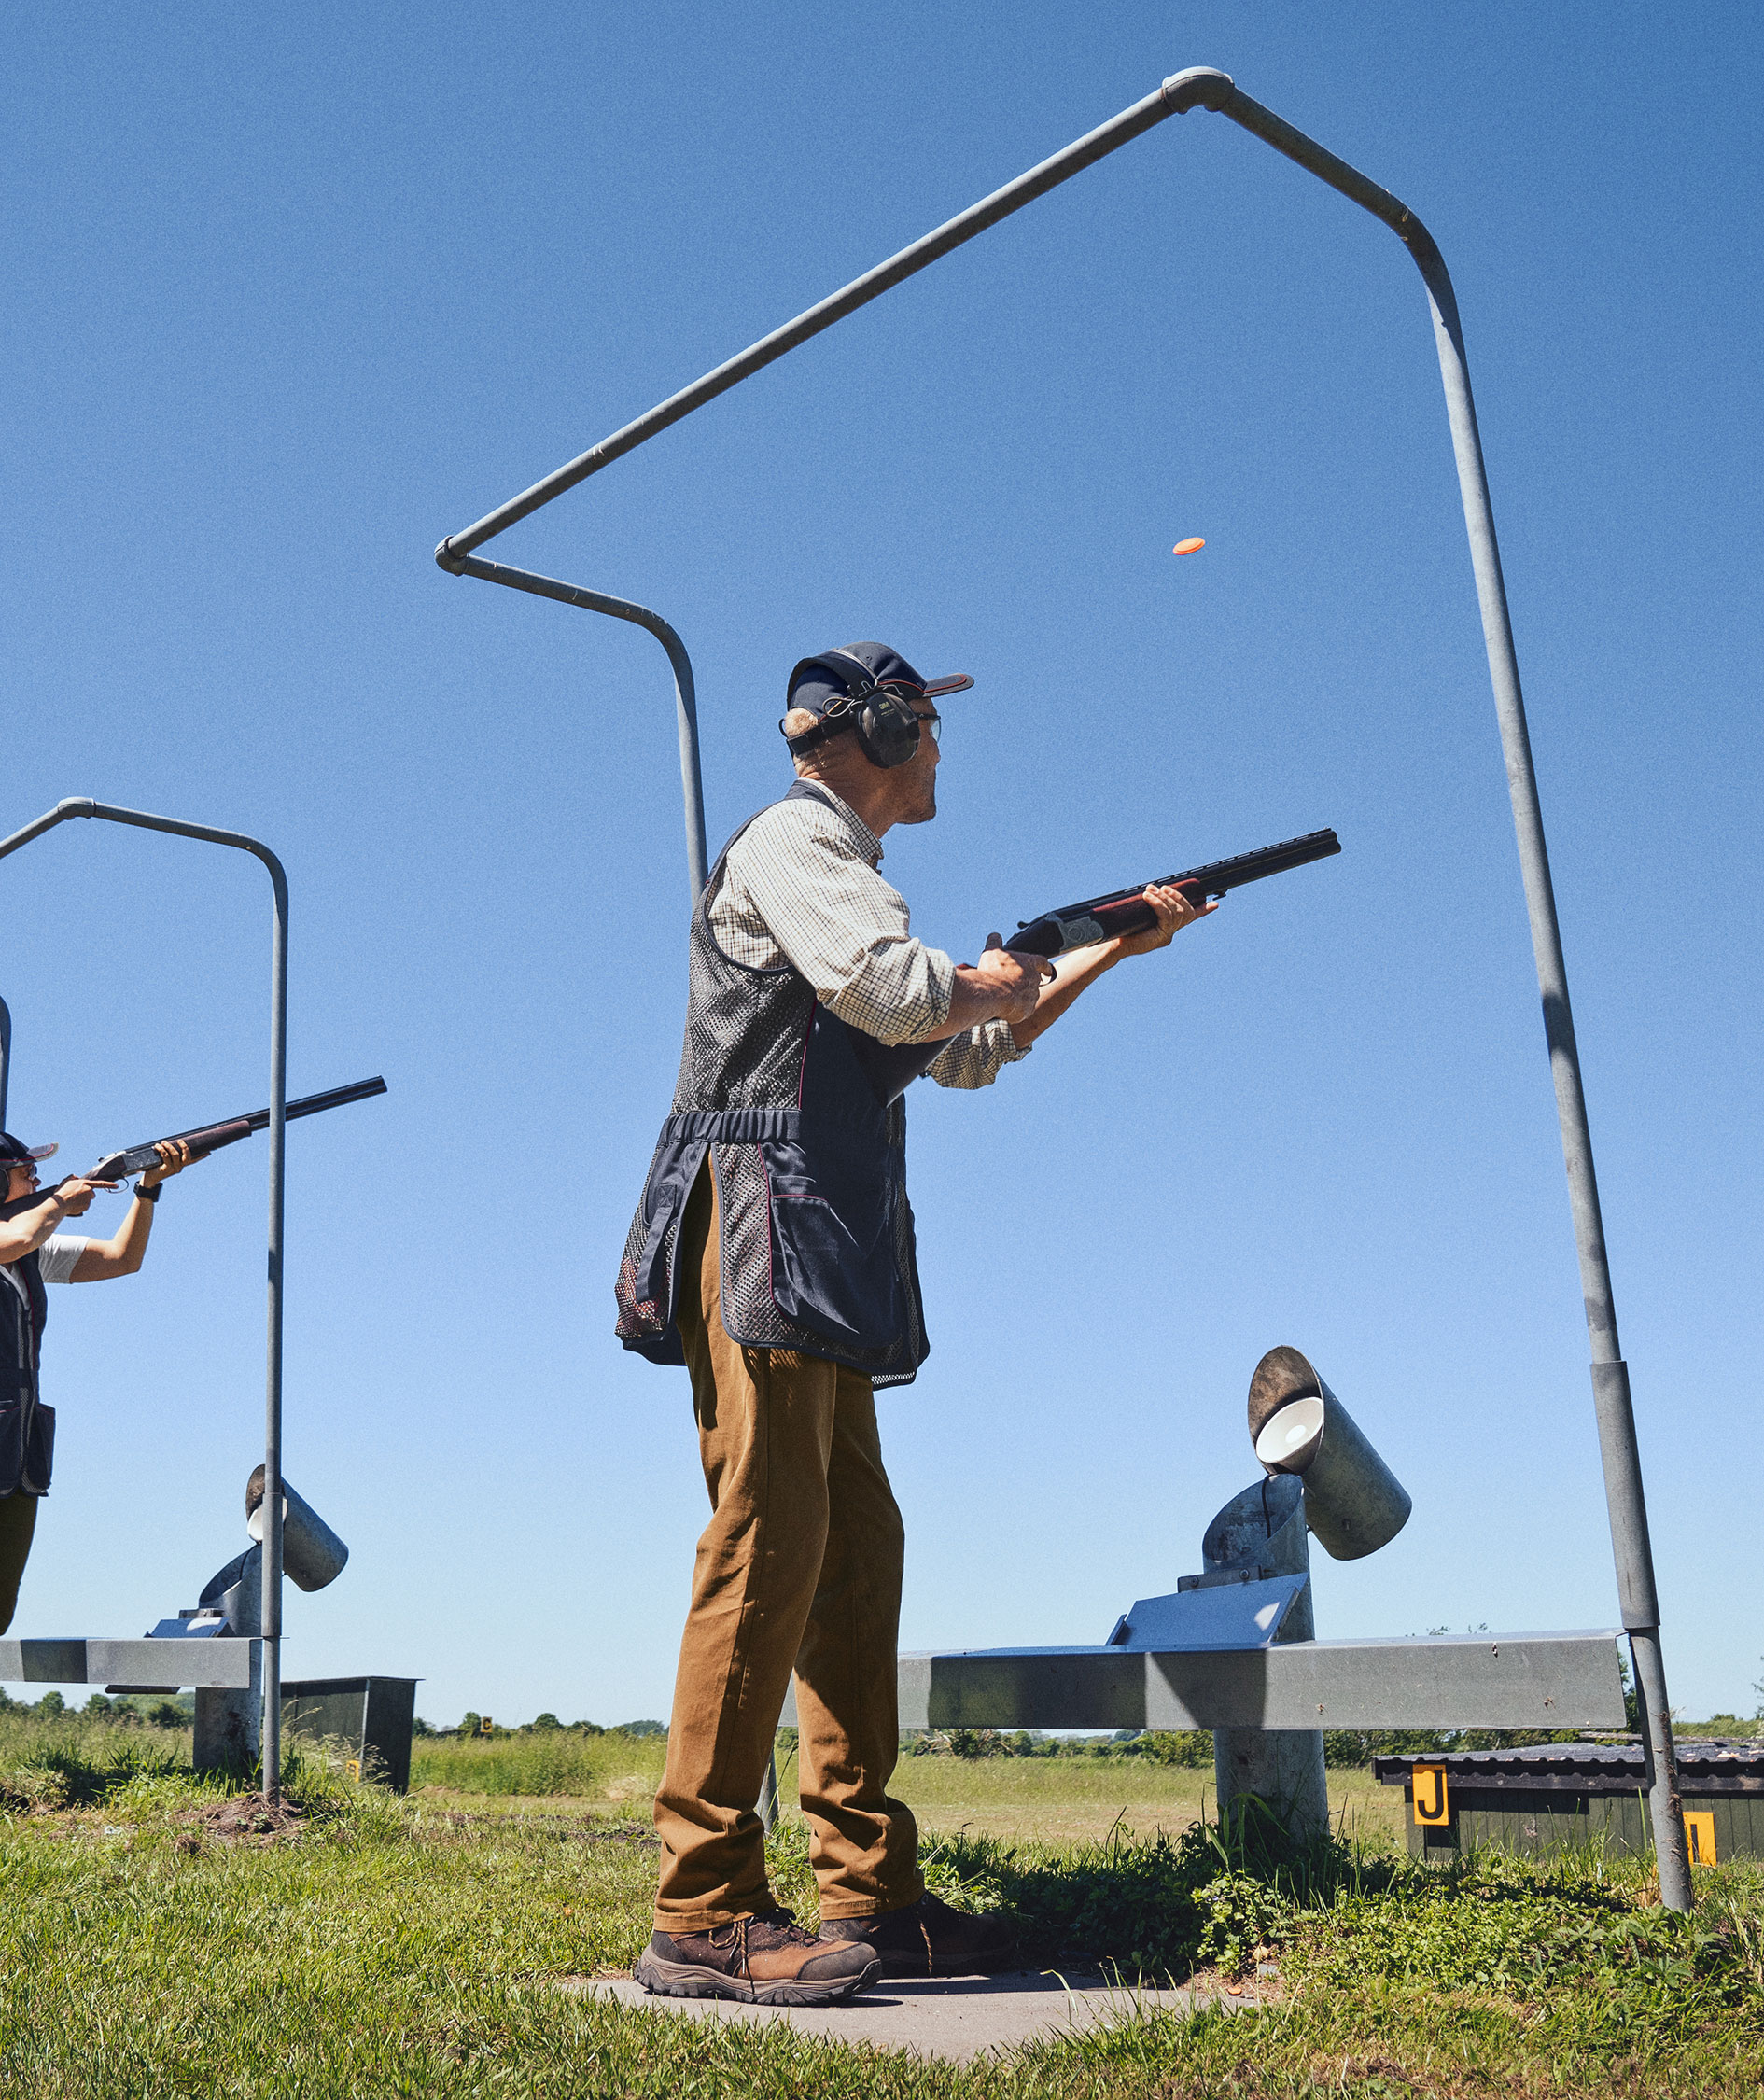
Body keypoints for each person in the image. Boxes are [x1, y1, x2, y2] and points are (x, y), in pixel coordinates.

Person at [616, 642, 1214, 2006]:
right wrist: (1000, 968)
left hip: (821, 1230)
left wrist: (1107, 945)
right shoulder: (793, 842)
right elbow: (903, 992)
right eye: (926, 729)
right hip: (763, 1215)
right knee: (766, 1543)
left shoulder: (858, 879)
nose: (939, 752)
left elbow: (968, 1046)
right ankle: (700, 1905)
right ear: (875, 729)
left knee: (850, 1554)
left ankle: (869, 1896)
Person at [0, 1130, 192, 1633]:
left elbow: (123, 1258)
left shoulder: (29, 1250)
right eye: (26, 1172)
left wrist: (147, 1189)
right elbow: (16, 1238)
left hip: (17, 1453)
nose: (38, 1179)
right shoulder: (19, 1240)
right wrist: (62, 1198)